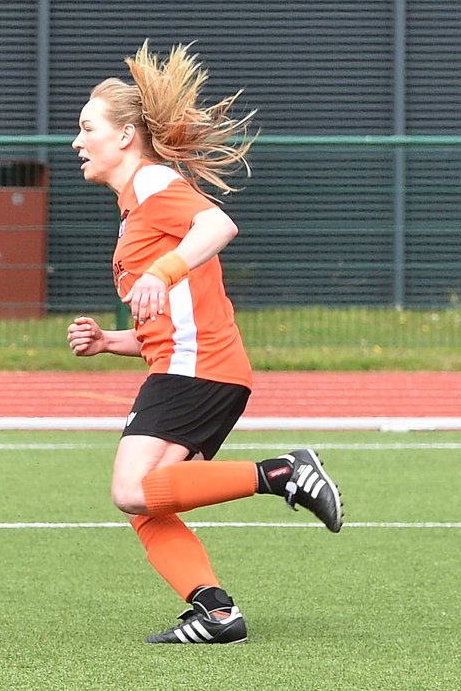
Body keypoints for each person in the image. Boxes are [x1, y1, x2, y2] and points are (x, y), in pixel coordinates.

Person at [66, 41, 343, 644]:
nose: (76, 141)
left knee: (129, 490)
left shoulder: (153, 181)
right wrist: (111, 341)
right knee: (146, 505)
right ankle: (215, 611)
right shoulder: (133, 204)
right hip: (197, 367)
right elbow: (172, 321)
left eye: (87, 128)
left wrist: (159, 271)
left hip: (200, 370)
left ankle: (283, 473)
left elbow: (219, 224)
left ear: (125, 137)